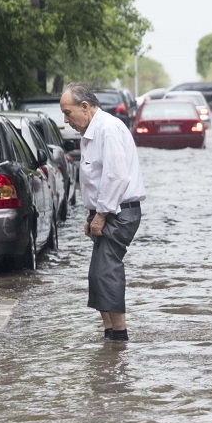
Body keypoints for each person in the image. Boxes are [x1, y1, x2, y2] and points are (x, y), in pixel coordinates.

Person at [60, 82, 146, 342]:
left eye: (67, 113)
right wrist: (92, 214)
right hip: (107, 211)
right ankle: (110, 334)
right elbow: (95, 179)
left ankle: (119, 337)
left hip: (120, 212)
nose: (66, 121)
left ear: (84, 107)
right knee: (97, 274)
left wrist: (100, 214)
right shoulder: (92, 131)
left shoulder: (107, 129)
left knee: (107, 271)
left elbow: (116, 176)